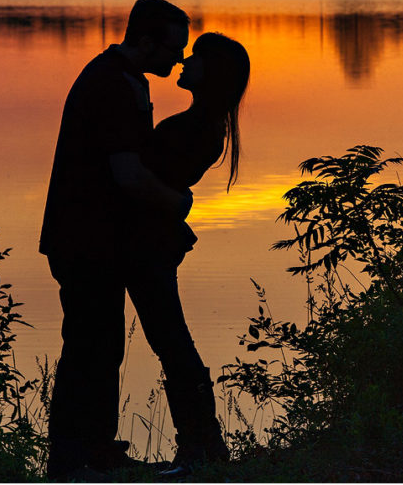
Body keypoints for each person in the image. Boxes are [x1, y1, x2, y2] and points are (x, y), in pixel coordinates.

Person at [39, 0, 192, 479]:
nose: (179, 58)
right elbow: (128, 174)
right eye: (173, 47)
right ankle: (74, 458)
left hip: (92, 239)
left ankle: (90, 453)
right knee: (91, 347)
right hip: (84, 241)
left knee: (98, 346)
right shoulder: (112, 86)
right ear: (145, 41)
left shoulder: (122, 79)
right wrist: (177, 202)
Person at [136, 32, 250, 477]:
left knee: (172, 342)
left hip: (151, 244)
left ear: (213, 71)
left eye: (197, 57)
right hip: (154, 241)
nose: (185, 60)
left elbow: (151, 179)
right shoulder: (200, 124)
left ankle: (200, 446)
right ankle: (204, 445)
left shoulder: (197, 128)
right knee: (172, 341)